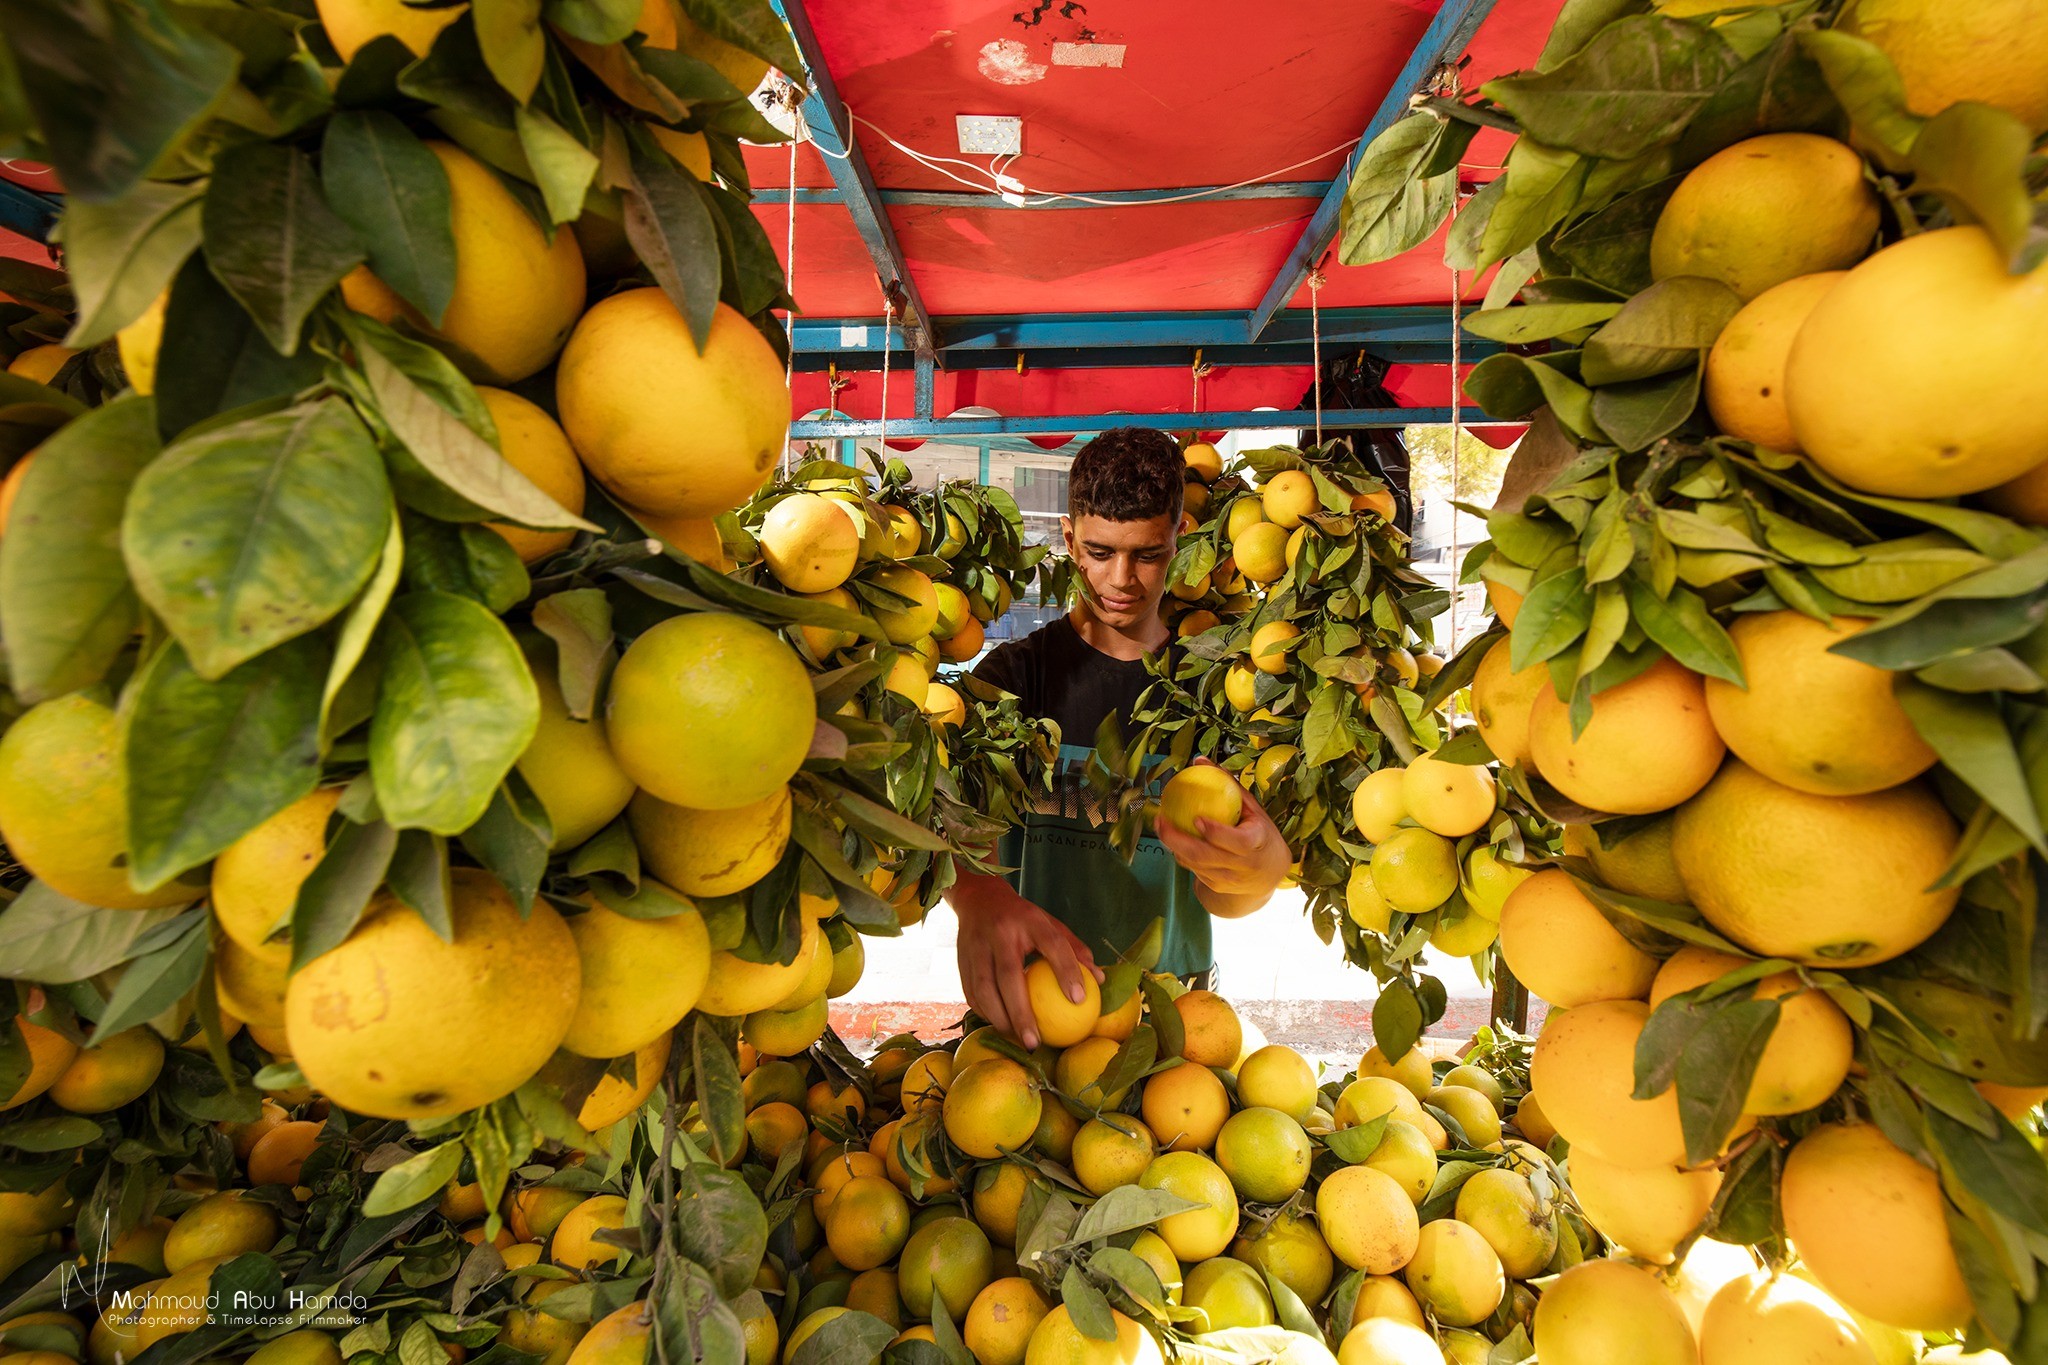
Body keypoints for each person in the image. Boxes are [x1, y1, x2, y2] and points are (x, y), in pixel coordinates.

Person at [952, 428, 1292, 1048]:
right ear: (1068, 540)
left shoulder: (1215, 690)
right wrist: (975, 892)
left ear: (1179, 537)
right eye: (1100, 551)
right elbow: (953, 823)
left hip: (1172, 1019)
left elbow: (1221, 891)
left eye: (1148, 555)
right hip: (1040, 1003)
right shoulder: (1012, 679)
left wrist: (1260, 869)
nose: (1121, 579)